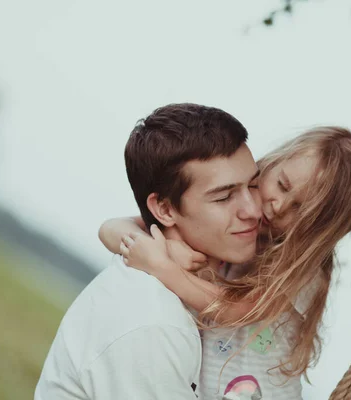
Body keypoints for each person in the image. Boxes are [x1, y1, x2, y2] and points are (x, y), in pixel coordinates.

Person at [100, 126, 351, 399]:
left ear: (322, 228)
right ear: (273, 163)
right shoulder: (239, 224)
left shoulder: (305, 270)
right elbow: (112, 227)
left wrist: (163, 267)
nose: (278, 206)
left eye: (299, 209)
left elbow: (236, 310)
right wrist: (161, 248)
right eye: (282, 185)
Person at [35, 103, 262, 399]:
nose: (254, 210)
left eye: (254, 186)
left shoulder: (174, 290)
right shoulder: (155, 323)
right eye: (224, 197)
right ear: (165, 209)